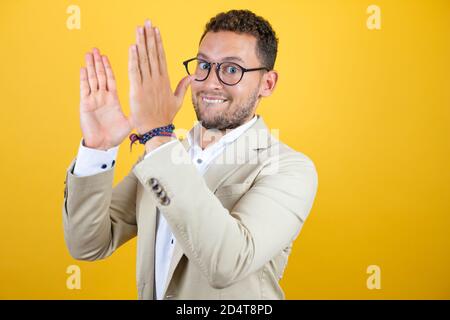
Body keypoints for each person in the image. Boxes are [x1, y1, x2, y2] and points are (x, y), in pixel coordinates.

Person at [63, 9, 318, 300]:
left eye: (232, 69)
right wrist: (99, 148)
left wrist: (157, 135)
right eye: (203, 65)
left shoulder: (289, 168)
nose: (210, 82)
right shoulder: (162, 155)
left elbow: (227, 264)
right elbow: (88, 244)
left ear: (267, 84)